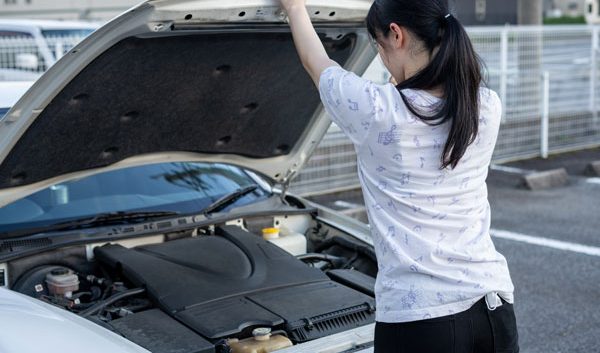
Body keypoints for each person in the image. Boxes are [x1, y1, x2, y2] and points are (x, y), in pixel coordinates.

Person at [279, 0, 520, 352]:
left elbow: (318, 65)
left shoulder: (379, 110)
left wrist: (295, 9)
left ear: (397, 34)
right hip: (493, 305)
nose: (381, 58)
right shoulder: (486, 105)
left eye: (378, 47)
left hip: (421, 318)